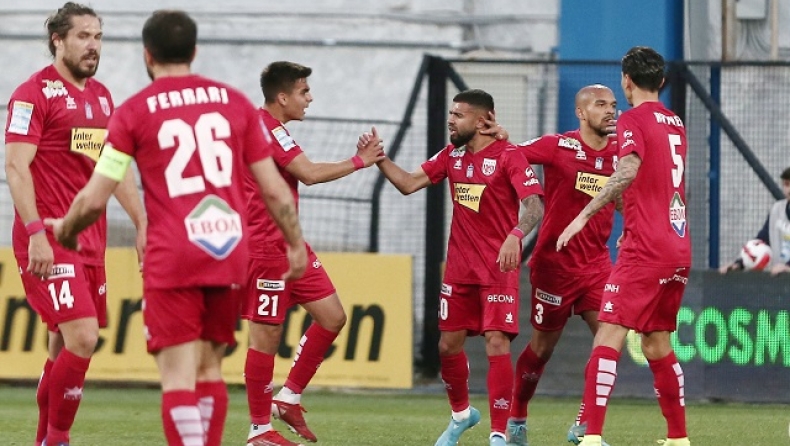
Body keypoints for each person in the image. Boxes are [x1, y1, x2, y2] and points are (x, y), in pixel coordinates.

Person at [46, 10, 307, 446]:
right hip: (227, 249)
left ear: (147, 55)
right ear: (194, 52)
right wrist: (295, 243)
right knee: (210, 370)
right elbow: (276, 191)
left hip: (175, 254)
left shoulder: (133, 112)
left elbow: (93, 198)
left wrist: (66, 229)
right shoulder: (234, 104)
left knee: (178, 378)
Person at [364, 89, 544, 446]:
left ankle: (498, 434)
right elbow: (408, 183)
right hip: (459, 269)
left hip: (498, 268)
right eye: (450, 113)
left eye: (458, 115)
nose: (450, 120)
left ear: (481, 120)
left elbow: (535, 205)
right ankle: (461, 415)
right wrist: (379, 159)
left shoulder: (509, 155)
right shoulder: (451, 156)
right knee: (447, 346)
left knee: (497, 343)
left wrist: (515, 235)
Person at [4, 3, 146, 445]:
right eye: (83, 36)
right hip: (48, 237)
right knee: (83, 338)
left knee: (63, 346)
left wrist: (142, 222)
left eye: (98, 37)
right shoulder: (33, 94)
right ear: (58, 40)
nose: (93, 45)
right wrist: (35, 234)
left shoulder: (102, 97)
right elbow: (16, 167)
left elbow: (112, 165)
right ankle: (58, 440)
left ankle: (43, 439)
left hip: (91, 241)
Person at [241, 61, 385, 446]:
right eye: (303, 92)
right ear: (282, 97)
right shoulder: (266, 128)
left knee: (333, 316)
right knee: (265, 338)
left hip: (289, 244)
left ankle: (288, 397)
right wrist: (360, 161)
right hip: (265, 248)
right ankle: (259, 430)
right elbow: (309, 173)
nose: (310, 98)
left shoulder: (271, 128)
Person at [556, 46, 691, 446]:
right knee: (656, 341)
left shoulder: (632, 119)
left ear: (626, 81)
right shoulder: (675, 122)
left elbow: (629, 169)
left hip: (645, 249)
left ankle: (592, 436)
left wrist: (583, 216)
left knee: (608, 335)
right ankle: (678, 438)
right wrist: (629, 218)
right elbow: (657, 180)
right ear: (661, 81)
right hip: (677, 245)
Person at [484, 85, 619, 446]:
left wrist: (632, 226)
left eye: (613, 105)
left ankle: (584, 427)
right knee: (542, 349)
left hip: (598, 267)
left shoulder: (621, 153)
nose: (610, 111)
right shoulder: (558, 146)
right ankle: (517, 417)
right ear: (581, 112)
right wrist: (503, 139)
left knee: (610, 341)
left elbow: (621, 196)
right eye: (601, 105)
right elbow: (512, 157)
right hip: (554, 267)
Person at [719, 166, 790, 275]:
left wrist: (788, 267)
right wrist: (741, 263)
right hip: (780, 279)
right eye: (786, 184)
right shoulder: (777, 210)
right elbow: (762, 241)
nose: (789, 189)